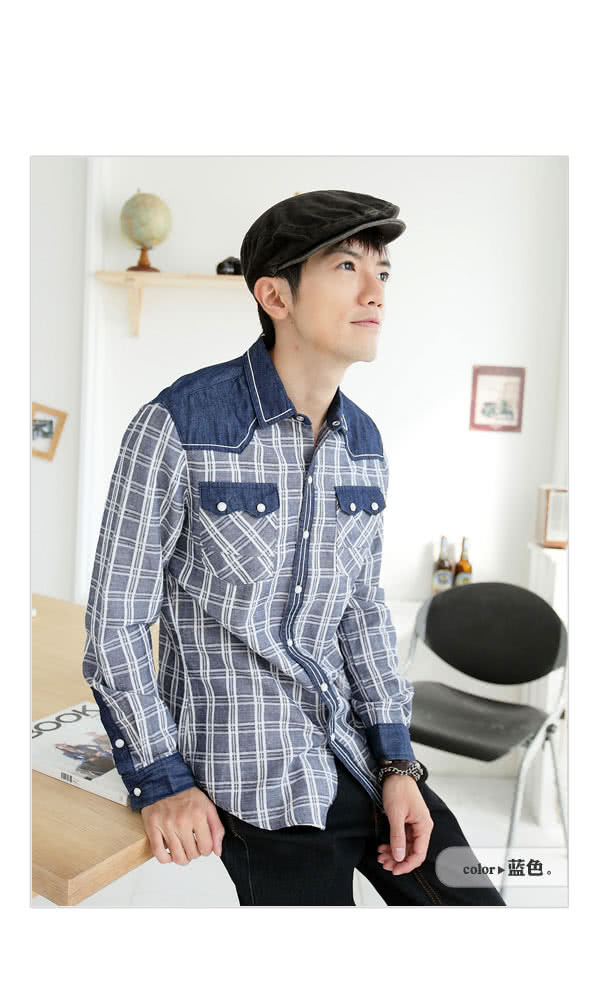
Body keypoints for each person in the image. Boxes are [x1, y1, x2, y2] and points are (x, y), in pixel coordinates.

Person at [82, 189, 505, 905]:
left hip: (358, 756)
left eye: (383, 272)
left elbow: (361, 612)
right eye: (347, 267)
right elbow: (115, 623)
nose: (376, 292)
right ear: (275, 296)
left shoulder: (364, 443)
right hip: (253, 776)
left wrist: (399, 763)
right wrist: (160, 779)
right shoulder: (178, 424)